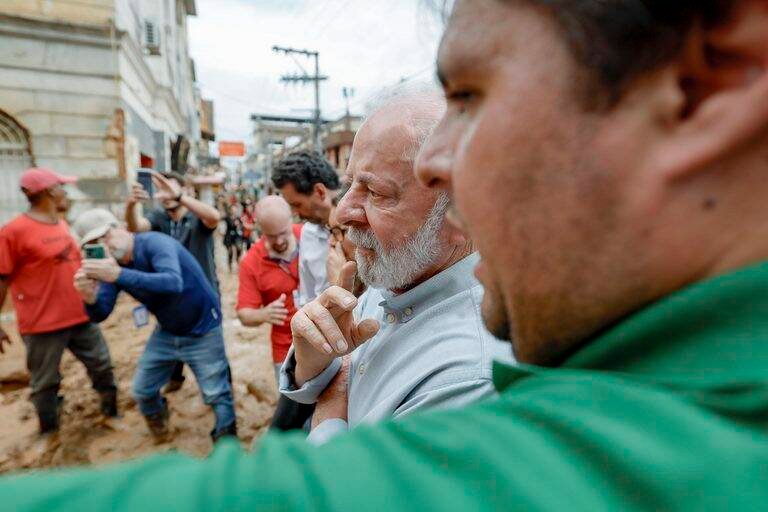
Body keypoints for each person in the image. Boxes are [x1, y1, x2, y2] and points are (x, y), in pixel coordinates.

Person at [3, 1, 768, 509]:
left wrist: (328, 419)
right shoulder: (388, 291)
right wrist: (313, 386)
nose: (443, 163)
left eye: (469, 94)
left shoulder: (540, 411)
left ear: (709, 84)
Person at [281, 84, 512, 444]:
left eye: (376, 193)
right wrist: (315, 363)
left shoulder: (470, 379)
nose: (342, 212)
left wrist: (328, 411)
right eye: (350, 183)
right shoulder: (396, 271)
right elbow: (332, 376)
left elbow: (344, 495)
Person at [71, 209, 237, 442]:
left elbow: (172, 282)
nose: (104, 246)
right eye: (94, 244)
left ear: (121, 228)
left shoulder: (155, 243)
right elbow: (101, 313)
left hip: (203, 328)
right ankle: (161, 428)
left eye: (105, 237)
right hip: (168, 330)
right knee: (142, 390)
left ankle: (226, 442)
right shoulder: (114, 268)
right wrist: (89, 297)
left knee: (216, 393)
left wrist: (118, 274)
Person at [0, 168, 118, 434]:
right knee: (45, 383)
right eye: (62, 187)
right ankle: (50, 432)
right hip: (41, 324)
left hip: (80, 315)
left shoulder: (62, 225)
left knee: (102, 365)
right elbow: (2, 279)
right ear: (50, 192)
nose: (66, 192)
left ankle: (111, 413)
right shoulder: (13, 232)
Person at [126, 170, 221, 393]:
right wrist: (131, 205)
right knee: (172, 334)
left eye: (169, 189)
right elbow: (134, 228)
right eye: (161, 190)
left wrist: (179, 197)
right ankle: (176, 378)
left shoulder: (197, 217)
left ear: (183, 191)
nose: (165, 195)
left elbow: (214, 217)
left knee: (212, 346)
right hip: (171, 295)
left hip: (203, 297)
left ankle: (220, 390)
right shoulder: (159, 219)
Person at [235, 196, 314, 429]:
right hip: (286, 351)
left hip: (326, 341)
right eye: (271, 235)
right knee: (295, 416)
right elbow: (243, 313)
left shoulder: (311, 236)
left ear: (292, 219)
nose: (279, 240)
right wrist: (264, 314)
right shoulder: (251, 262)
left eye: (283, 232)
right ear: (259, 229)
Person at [271, 150, 341, 307]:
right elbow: (307, 298)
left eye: (297, 204)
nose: (295, 213)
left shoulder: (363, 226)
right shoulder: (308, 233)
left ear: (320, 192)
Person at [222, 204, 243, 272]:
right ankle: (230, 265)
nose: (234, 210)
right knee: (230, 252)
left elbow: (241, 226)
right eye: (233, 209)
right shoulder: (227, 218)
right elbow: (225, 225)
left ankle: (237, 263)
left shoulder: (238, 218)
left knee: (239, 249)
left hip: (236, 236)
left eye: (235, 209)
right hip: (229, 237)